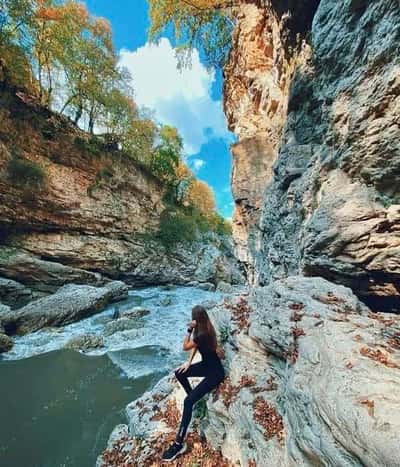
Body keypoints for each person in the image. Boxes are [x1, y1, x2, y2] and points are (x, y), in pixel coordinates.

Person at [161, 305, 226, 462]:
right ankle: (193, 397)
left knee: (187, 401)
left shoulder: (200, 333)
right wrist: (188, 363)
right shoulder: (207, 328)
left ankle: (178, 444)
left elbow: (186, 346)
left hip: (215, 373)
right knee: (179, 373)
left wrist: (189, 330)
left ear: (196, 319)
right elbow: (195, 348)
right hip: (208, 366)